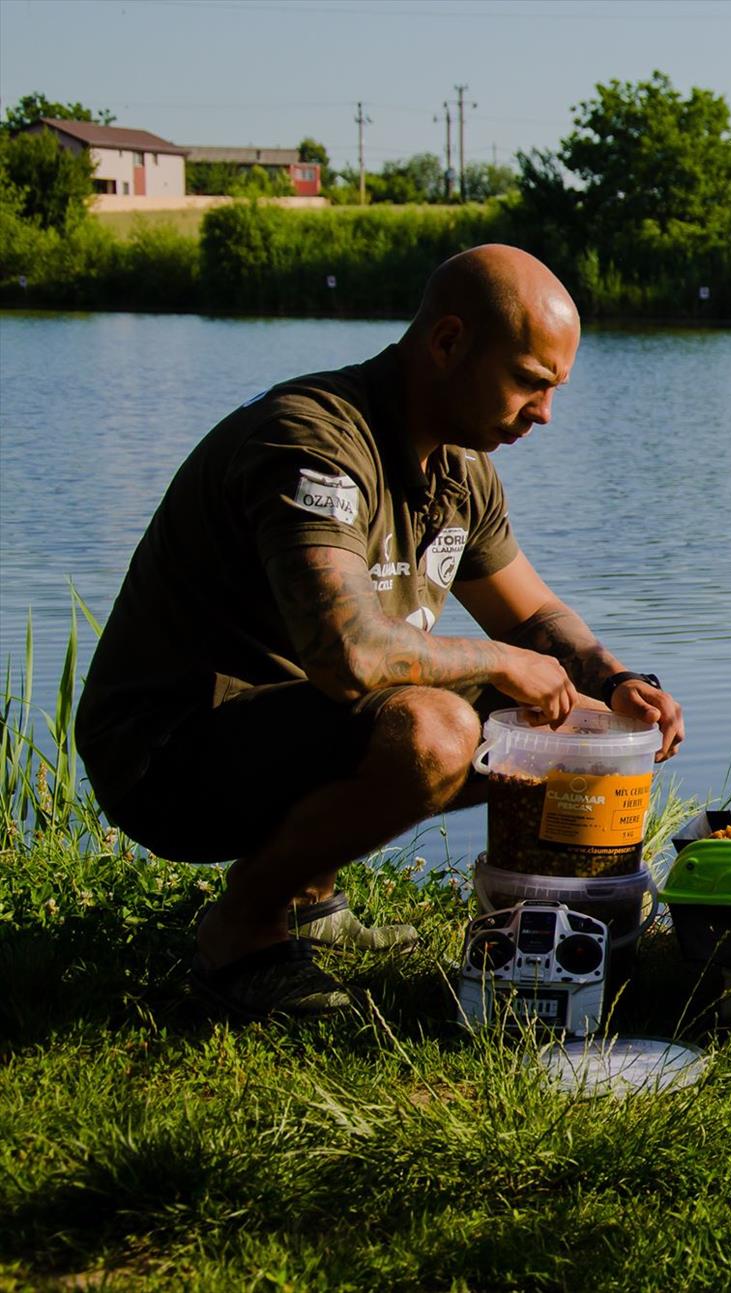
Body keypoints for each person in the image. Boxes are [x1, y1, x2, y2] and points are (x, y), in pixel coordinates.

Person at [76, 244, 685, 1019]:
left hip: (283, 732)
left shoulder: (460, 471)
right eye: (531, 382)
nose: (544, 414)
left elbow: (532, 616)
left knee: (575, 720)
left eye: (555, 389)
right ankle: (242, 931)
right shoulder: (313, 441)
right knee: (436, 729)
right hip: (166, 755)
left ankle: (309, 897)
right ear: (447, 342)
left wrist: (619, 683)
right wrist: (502, 663)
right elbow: (350, 654)